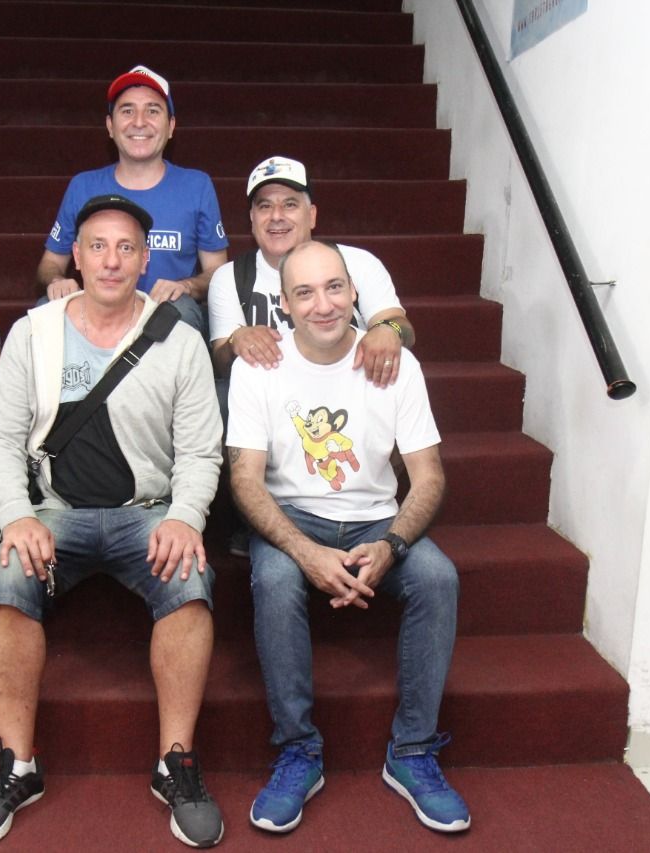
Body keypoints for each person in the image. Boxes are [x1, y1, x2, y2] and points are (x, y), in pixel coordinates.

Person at [0, 195, 224, 849]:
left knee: (190, 577)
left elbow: (199, 451)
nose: (111, 260)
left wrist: (186, 518)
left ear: (145, 258)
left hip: (145, 513)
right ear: (75, 256)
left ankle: (176, 762)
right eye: (97, 246)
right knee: (7, 572)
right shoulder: (34, 333)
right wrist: (16, 516)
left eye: (126, 247)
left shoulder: (179, 339)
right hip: (56, 511)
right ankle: (17, 764)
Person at [226, 241, 470, 836]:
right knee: (275, 578)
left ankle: (412, 751)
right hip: (293, 516)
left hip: (375, 519)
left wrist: (393, 545)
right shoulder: (258, 366)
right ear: (284, 304)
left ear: (354, 292)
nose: (324, 304)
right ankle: (298, 750)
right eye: (305, 292)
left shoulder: (395, 363)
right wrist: (305, 551)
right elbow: (244, 480)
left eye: (335, 287)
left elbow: (429, 476)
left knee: (438, 577)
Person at [36, 64, 228, 333]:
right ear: (110, 126)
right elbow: (50, 264)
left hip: (165, 315)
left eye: (152, 111)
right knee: (47, 307)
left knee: (181, 311)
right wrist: (57, 280)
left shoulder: (197, 186)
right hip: (98, 310)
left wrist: (187, 286)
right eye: (127, 111)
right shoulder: (83, 186)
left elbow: (217, 272)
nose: (139, 122)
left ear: (171, 126)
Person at [208, 156, 415, 389]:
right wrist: (235, 341)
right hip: (269, 396)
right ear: (252, 219)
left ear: (312, 215)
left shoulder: (358, 263)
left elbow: (402, 325)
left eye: (290, 204)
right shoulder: (230, 277)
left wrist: (388, 329)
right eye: (265, 206)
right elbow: (222, 364)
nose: (276, 216)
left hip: (350, 390)